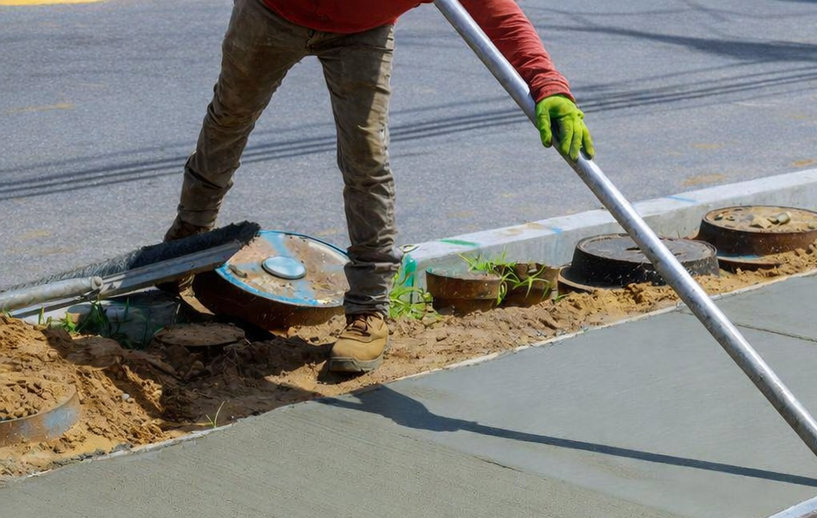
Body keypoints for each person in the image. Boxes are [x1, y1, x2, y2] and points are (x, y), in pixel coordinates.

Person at [164, 0, 594, 373]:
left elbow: (498, 15)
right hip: (272, 13)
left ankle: (369, 310)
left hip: (362, 31)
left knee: (366, 158)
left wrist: (549, 86)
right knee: (228, 122)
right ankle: (184, 246)